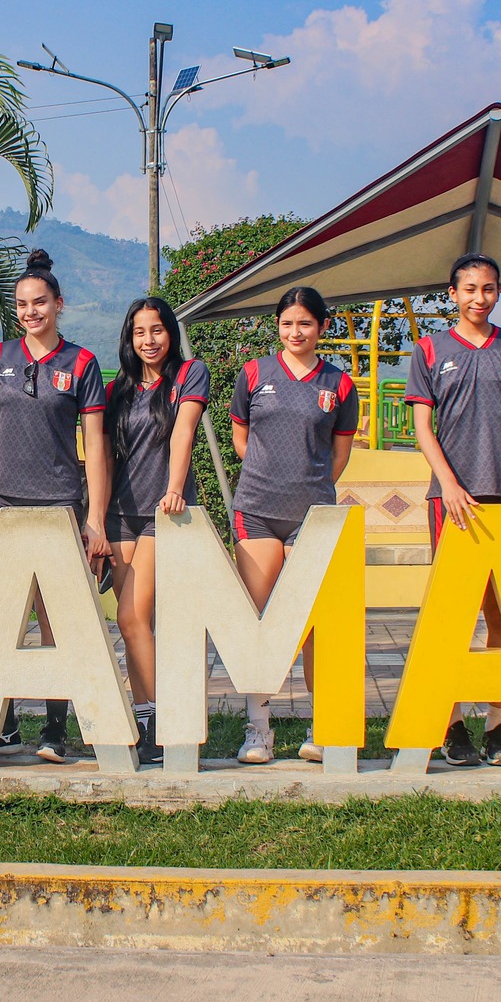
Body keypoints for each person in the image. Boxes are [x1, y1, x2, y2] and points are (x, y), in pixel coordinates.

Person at [0, 249, 110, 764]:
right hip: (0, 505)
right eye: (23, 304)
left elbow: (95, 445)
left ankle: (54, 729)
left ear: (58, 304)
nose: (31, 311)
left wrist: (94, 518)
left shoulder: (83, 363)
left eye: (40, 302)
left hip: (60, 506)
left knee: (55, 621)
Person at [406, 252, 501, 766]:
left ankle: (499, 722)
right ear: (453, 294)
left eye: (487, 289)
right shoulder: (429, 349)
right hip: (453, 500)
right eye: (469, 289)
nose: (478, 298)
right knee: (452, 611)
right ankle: (451, 723)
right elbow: (423, 426)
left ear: (498, 293)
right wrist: (448, 484)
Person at [228, 286, 358, 766]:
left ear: (321, 327)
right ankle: (257, 731)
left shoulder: (340, 385)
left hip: (313, 517)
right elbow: (242, 437)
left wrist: (308, 484)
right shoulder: (254, 374)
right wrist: (270, 474)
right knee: (261, 622)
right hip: (257, 510)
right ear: (277, 327)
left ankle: (321, 726)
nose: (295, 332)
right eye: (286, 323)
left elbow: (339, 454)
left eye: (304, 323)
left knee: (312, 627)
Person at [102, 296, 208, 766]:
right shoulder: (116, 390)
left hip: (161, 511)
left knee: (129, 616)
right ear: (129, 338)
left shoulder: (189, 376)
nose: (149, 340)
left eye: (157, 330)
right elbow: (105, 457)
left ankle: (160, 719)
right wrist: (95, 519)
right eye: (140, 332)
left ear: (171, 333)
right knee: (134, 627)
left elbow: (183, 432)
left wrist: (174, 488)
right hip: (119, 515)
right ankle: (149, 720)